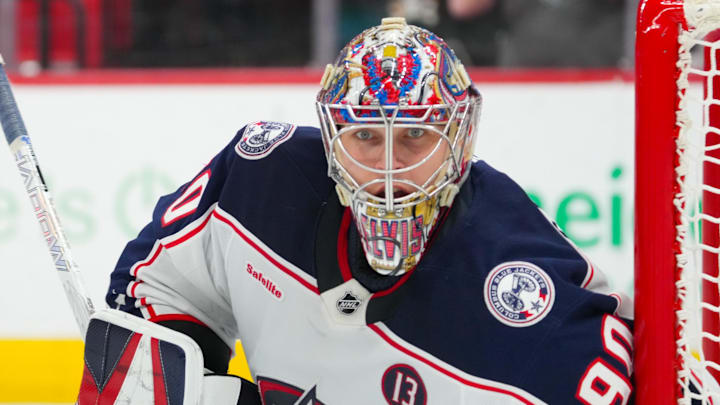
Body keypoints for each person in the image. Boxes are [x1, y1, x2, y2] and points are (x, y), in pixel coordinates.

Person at [77, 17, 634, 404]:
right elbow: (156, 287)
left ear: (459, 144)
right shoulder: (257, 182)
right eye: (365, 135)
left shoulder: (525, 295)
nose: (389, 171)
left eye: (415, 135)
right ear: (331, 138)